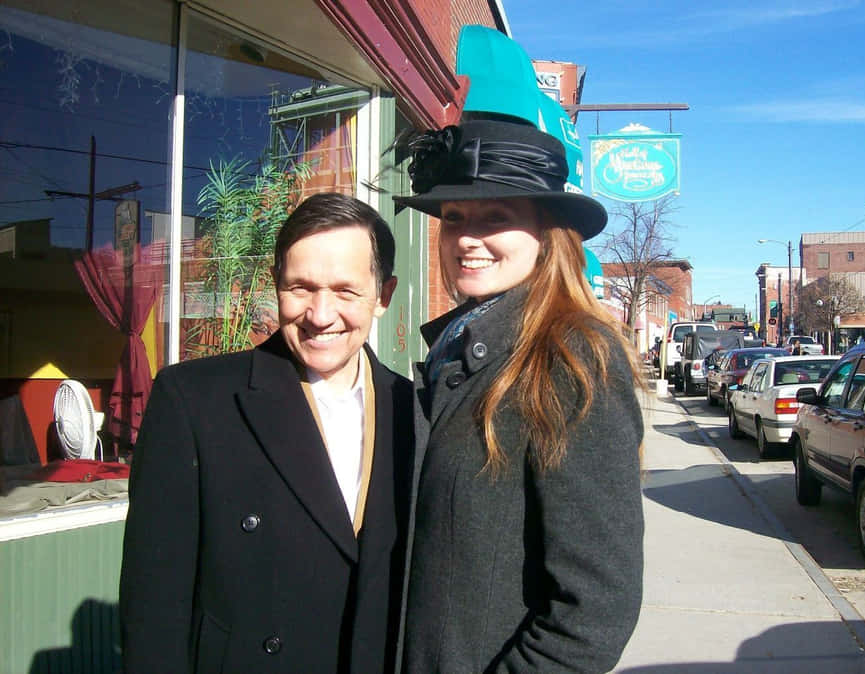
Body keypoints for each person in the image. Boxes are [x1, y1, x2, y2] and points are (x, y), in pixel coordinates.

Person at [119, 192, 413, 673]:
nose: (320, 315)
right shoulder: (194, 400)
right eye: (300, 288)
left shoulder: (413, 410)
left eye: (344, 291)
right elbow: (154, 602)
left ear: (383, 296)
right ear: (275, 283)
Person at [393, 119, 645, 672]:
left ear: (546, 231)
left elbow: (594, 613)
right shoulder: (457, 346)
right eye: (454, 218)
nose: (466, 238)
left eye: (495, 217)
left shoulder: (572, 359)